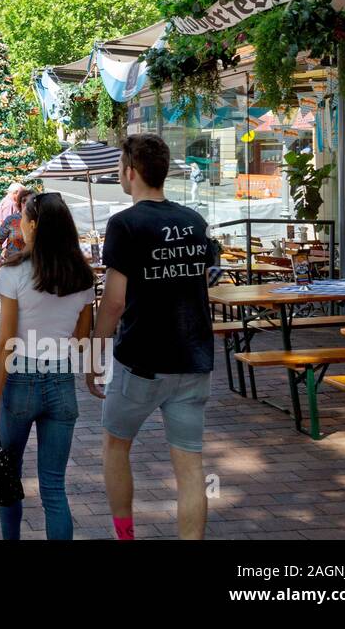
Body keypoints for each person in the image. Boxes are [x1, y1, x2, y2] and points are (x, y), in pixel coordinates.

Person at [86, 134, 219, 541]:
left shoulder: (125, 224)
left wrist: (94, 357)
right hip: (194, 358)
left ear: (130, 172)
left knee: (115, 446)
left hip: (142, 360)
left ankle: (125, 534)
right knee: (190, 465)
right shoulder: (194, 221)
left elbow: (113, 303)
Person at [0, 192, 96, 541]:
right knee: (53, 488)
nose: (20, 224)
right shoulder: (82, 275)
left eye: (24, 219)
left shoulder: (14, 271)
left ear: (33, 225)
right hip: (61, 378)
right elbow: (82, 339)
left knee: (8, 478)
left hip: (20, 379)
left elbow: (5, 342)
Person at [0, 187, 33, 265]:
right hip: (12, 263)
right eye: (24, 201)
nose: (27, 204)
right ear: (19, 203)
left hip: (33, 266)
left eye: (31, 202)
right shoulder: (11, 219)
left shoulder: (39, 220)